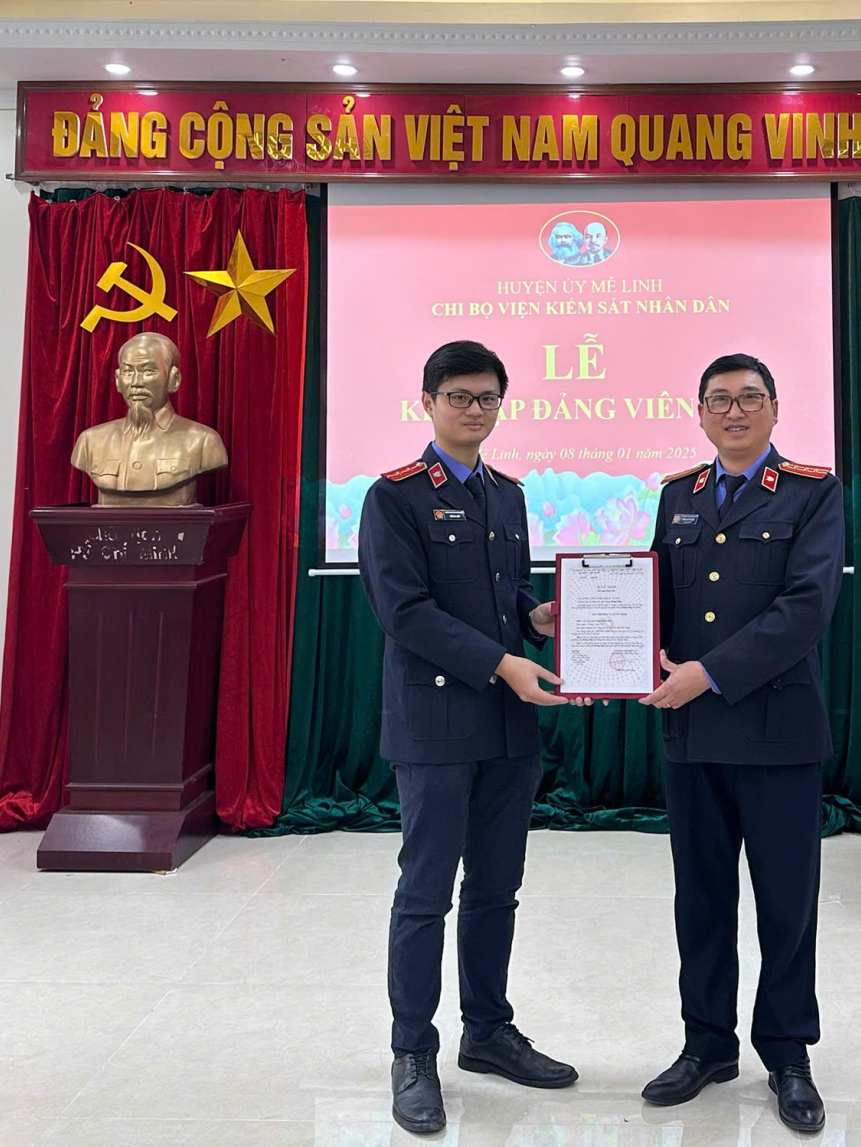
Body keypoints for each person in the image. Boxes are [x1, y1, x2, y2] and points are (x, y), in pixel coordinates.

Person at [358, 340, 580, 1136]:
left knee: (495, 890)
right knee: (426, 894)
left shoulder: (506, 494)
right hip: (436, 723)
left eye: (487, 397)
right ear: (428, 402)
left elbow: (506, 592)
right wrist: (503, 661)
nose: (474, 410)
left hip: (507, 726)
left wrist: (536, 618)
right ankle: (412, 1052)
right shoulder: (393, 497)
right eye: (459, 396)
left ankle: (486, 1032)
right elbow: (405, 612)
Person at [637, 352, 843, 1134]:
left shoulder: (811, 491)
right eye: (718, 399)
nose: (733, 411)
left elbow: (805, 607)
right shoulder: (677, 495)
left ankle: (787, 1054)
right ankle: (705, 1045)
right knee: (700, 900)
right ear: (698, 413)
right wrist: (600, 641)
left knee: (785, 903)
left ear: (774, 408)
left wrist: (710, 674)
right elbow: (652, 598)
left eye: (749, 398)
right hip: (692, 736)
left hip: (777, 730)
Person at [69, 331, 227, 506]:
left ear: (173, 379)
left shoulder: (203, 441)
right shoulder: (90, 441)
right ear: (118, 380)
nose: (136, 382)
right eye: (128, 371)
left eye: (148, 371)